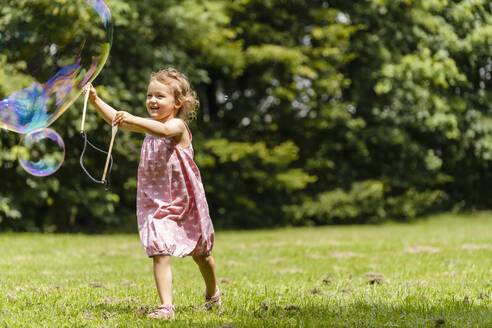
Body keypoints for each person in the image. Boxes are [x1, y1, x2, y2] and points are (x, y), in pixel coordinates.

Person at [84, 67, 220, 319]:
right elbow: (115, 117)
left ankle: (213, 293)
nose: (152, 101)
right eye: (149, 96)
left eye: (160, 96)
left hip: (184, 202)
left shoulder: (176, 126)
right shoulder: (148, 125)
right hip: (157, 202)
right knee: (159, 250)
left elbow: (163, 131)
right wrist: (94, 99)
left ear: (178, 103)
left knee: (201, 255)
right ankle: (166, 306)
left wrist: (131, 119)